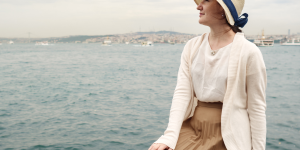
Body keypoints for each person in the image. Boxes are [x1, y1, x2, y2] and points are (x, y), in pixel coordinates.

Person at [148, 0, 267, 150]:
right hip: (193, 129)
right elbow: (182, 93)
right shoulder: (192, 46)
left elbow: (256, 108)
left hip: (230, 136)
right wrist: (170, 136)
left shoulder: (249, 52)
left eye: (206, 1)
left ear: (224, 9)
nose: (198, 6)